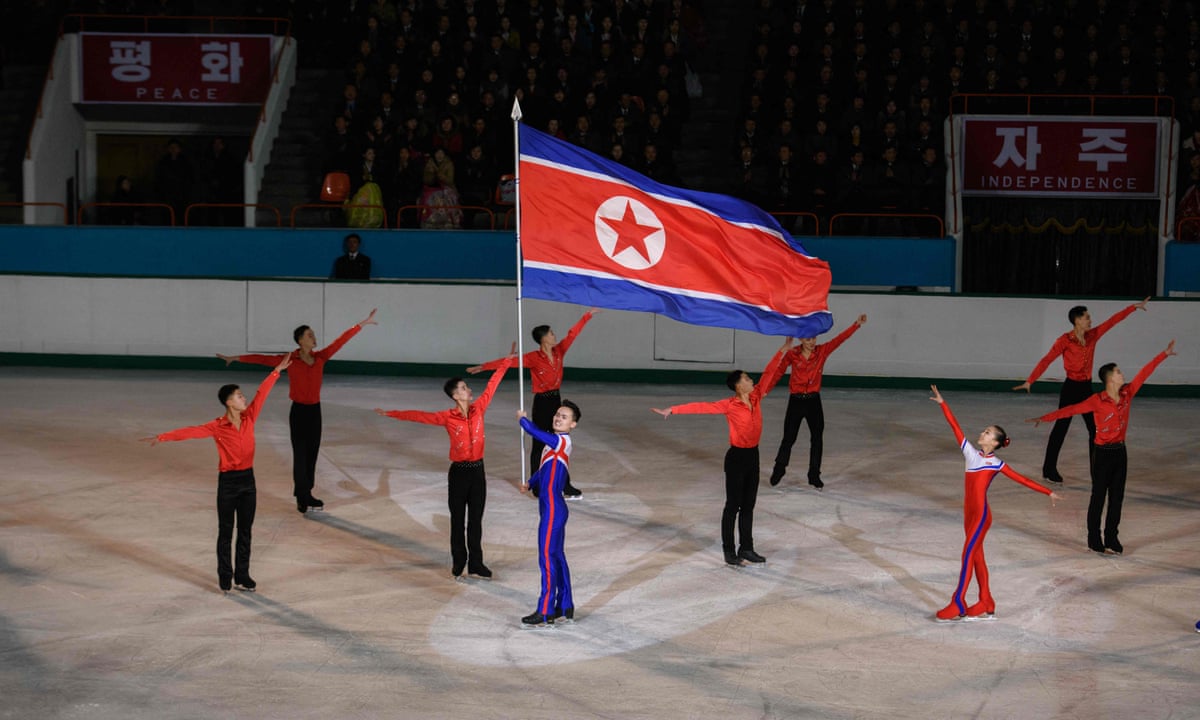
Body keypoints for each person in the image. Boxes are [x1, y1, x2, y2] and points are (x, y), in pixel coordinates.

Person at [140, 354, 293, 593]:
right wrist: (162, 437)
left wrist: (276, 371)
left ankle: (242, 576)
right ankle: (225, 574)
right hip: (229, 483)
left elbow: (262, 393)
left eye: (243, 395)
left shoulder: (250, 417)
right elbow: (191, 431)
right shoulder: (217, 426)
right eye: (239, 396)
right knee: (225, 530)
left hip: (248, 482)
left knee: (245, 531)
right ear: (229, 402)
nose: (244, 398)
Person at [217, 309, 379, 513]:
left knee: (311, 454)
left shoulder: (321, 357)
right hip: (299, 412)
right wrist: (236, 358)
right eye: (309, 335)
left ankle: (307, 493)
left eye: (313, 334)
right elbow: (263, 359)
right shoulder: (290, 359)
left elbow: (340, 341)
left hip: (315, 412)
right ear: (300, 341)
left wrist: (361, 324)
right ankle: (301, 496)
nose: (314, 337)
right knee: (300, 455)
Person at [375, 350, 516, 579]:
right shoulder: (446, 417)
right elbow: (418, 416)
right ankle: (459, 561)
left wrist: (506, 362)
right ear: (455, 395)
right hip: (459, 473)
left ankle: (476, 563)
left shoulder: (479, 408)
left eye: (466, 386)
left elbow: (493, 384)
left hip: (478, 471)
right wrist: (392, 413)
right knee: (458, 519)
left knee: (476, 521)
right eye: (462, 387)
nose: (468, 389)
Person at [651, 338, 792, 566]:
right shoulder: (729, 405)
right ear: (738, 386)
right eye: (746, 378)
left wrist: (782, 351)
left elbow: (769, 373)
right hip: (736, 458)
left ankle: (746, 548)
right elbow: (701, 407)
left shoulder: (756, 397)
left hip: (752, 456)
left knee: (749, 505)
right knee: (733, 505)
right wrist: (673, 410)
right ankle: (729, 550)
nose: (751, 380)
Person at [1028, 340, 1176, 555]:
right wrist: (1046, 418)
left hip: (1120, 453)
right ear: (1109, 379)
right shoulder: (1096, 400)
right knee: (1098, 496)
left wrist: (1163, 354)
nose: (1121, 374)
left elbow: (1145, 373)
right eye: (1118, 372)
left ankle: (1112, 538)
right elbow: (1070, 410)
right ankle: (1093, 538)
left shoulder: (1127, 394)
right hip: (1102, 454)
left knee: (1117, 498)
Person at [929, 385, 1061, 622]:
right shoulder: (971, 454)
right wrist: (943, 404)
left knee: (968, 554)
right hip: (968, 515)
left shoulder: (997, 464)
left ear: (996, 443)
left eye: (988, 433)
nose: (983, 433)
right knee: (977, 556)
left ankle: (958, 601)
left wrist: (1047, 491)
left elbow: (1023, 479)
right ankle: (986, 600)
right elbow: (955, 428)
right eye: (984, 430)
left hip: (980, 516)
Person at [1014, 298, 1149, 483]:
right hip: (1071, 388)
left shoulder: (1093, 335)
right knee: (1060, 429)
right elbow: (1047, 359)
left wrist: (1133, 308)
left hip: (1086, 388)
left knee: (1094, 430)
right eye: (1087, 317)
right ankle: (1048, 469)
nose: (1090, 320)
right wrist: (1031, 380)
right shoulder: (1064, 340)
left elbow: (1112, 321)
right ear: (1077, 320)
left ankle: (1097, 472)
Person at [467, 309, 597, 498]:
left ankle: (565, 485)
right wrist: (483, 366)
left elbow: (572, 334)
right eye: (551, 333)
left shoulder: (559, 351)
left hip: (556, 400)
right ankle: (537, 486)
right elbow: (509, 362)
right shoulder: (533, 358)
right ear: (544, 339)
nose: (555, 336)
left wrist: (587, 316)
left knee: (559, 443)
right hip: (542, 402)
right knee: (539, 444)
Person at [769, 314, 867, 489]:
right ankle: (779, 468)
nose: (812, 342)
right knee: (789, 438)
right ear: (801, 339)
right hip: (796, 401)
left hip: (814, 402)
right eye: (808, 339)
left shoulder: (822, 351)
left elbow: (839, 339)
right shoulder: (792, 355)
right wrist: (764, 390)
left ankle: (814, 475)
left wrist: (856, 325)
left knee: (817, 438)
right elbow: (777, 372)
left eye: (813, 338)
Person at [517, 400, 581, 626]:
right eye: (557, 414)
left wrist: (523, 420)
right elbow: (544, 469)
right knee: (556, 556)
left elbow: (535, 432)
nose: (558, 418)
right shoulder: (552, 446)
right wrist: (530, 482)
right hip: (551, 508)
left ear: (572, 424)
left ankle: (545, 610)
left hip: (553, 509)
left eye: (564, 417)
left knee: (546, 557)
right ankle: (565, 605)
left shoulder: (562, 441)